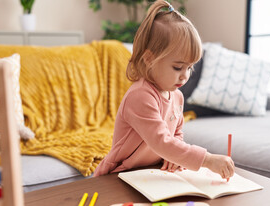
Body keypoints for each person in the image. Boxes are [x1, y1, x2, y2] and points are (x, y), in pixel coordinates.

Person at [94, 0, 235, 179]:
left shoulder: (177, 97)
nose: (185, 76)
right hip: (119, 175)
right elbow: (161, 141)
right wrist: (207, 160)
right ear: (149, 59)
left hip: (152, 171)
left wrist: (174, 158)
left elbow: (176, 134)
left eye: (190, 68)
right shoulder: (140, 96)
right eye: (178, 67)